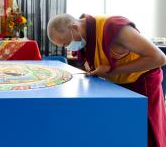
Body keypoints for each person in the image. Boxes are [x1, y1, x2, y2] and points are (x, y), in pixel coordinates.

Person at [47, 13, 166, 147]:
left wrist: (112, 70)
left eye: (67, 43)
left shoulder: (114, 28)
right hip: (119, 87)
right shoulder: (84, 37)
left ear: (75, 28)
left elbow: (159, 58)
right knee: (126, 135)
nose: (68, 48)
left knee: (145, 134)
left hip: (142, 84)